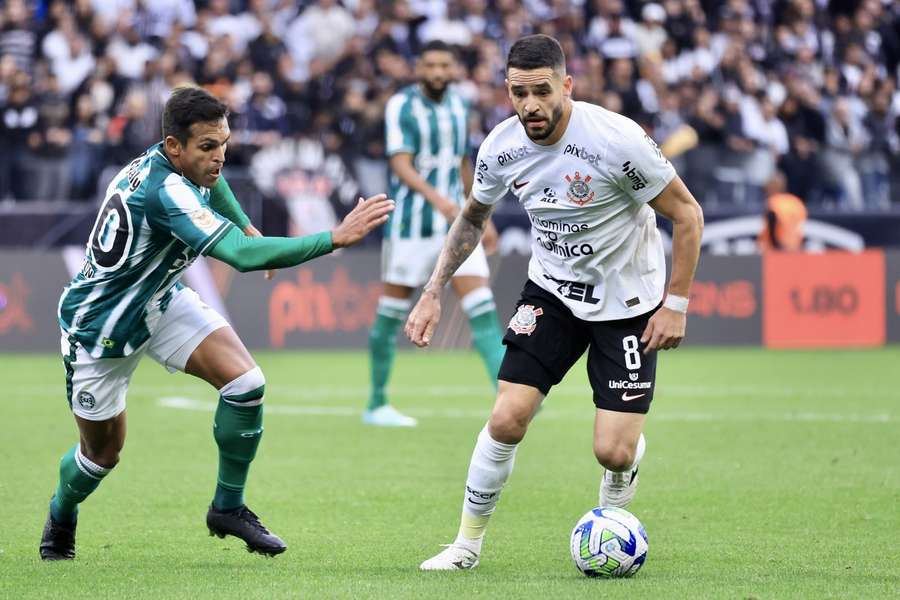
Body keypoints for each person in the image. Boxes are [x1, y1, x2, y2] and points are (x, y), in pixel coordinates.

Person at [40, 86, 394, 561]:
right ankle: (62, 511)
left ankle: (228, 506)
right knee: (101, 457)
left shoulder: (173, 160)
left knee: (246, 383)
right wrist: (333, 238)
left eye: (224, 143)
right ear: (174, 147)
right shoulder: (165, 192)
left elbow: (215, 186)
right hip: (101, 327)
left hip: (158, 301)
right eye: (208, 146)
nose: (220, 156)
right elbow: (241, 259)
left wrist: (245, 221)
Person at [405, 34, 703, 570]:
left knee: (613, 451)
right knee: (506, 417)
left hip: (628, 302)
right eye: (519, 93)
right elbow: (472, 218)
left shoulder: (616, 140)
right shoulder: (501, 147)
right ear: (507, 90)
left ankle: (612, 519)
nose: (530, 106)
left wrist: (675, 303)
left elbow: (687, 214)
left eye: (542, 91)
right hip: (553, 292)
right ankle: (466, 545)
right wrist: (432, 292)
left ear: (566, 85)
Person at [365, 40, 504, 427]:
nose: (438, 73)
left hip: (457, 225)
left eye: (445, 65)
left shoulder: (461, 105)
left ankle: (509, 396)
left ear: (454, 68)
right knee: (391, 314)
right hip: (412, 227)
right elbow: (400, 164)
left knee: (482, 307)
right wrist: (440, 201)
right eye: (431, 65)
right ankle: (376, 403)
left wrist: (481, 216)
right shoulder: (402, 105)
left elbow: (463, 162)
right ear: (419, 68)